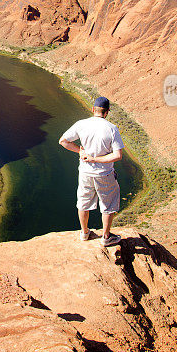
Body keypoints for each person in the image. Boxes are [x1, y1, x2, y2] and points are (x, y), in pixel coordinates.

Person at [59, 96, 124, 247]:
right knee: (108, 205)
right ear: (107, 112)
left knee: (83, 202)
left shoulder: (82, 124)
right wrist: (97, 159)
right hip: (105, 174)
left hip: (85, 172)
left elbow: (63, 141)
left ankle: (84, 232)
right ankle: (106, 237)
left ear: (93, 109)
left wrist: (80, 152)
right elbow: (118, 155)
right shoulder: (111, 128)